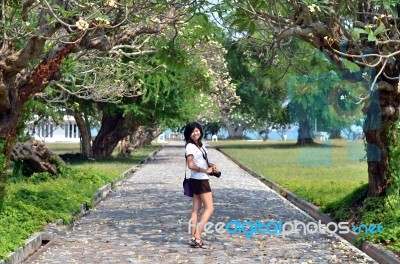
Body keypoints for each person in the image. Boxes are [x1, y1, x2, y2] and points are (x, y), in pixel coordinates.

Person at [184, 122, 218, 249]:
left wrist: (211, 166)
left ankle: (193, 238)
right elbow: (191, 165)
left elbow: (202, 161)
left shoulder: (201, 145)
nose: (195, 133)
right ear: (189, 134)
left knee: (195, 211)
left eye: (197, 130)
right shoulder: (190, 147)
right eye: (192, 131)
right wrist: (205, 171)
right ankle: (197, 236)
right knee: (210, 208)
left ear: (200, 131)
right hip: (200, 180)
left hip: (197, 179)